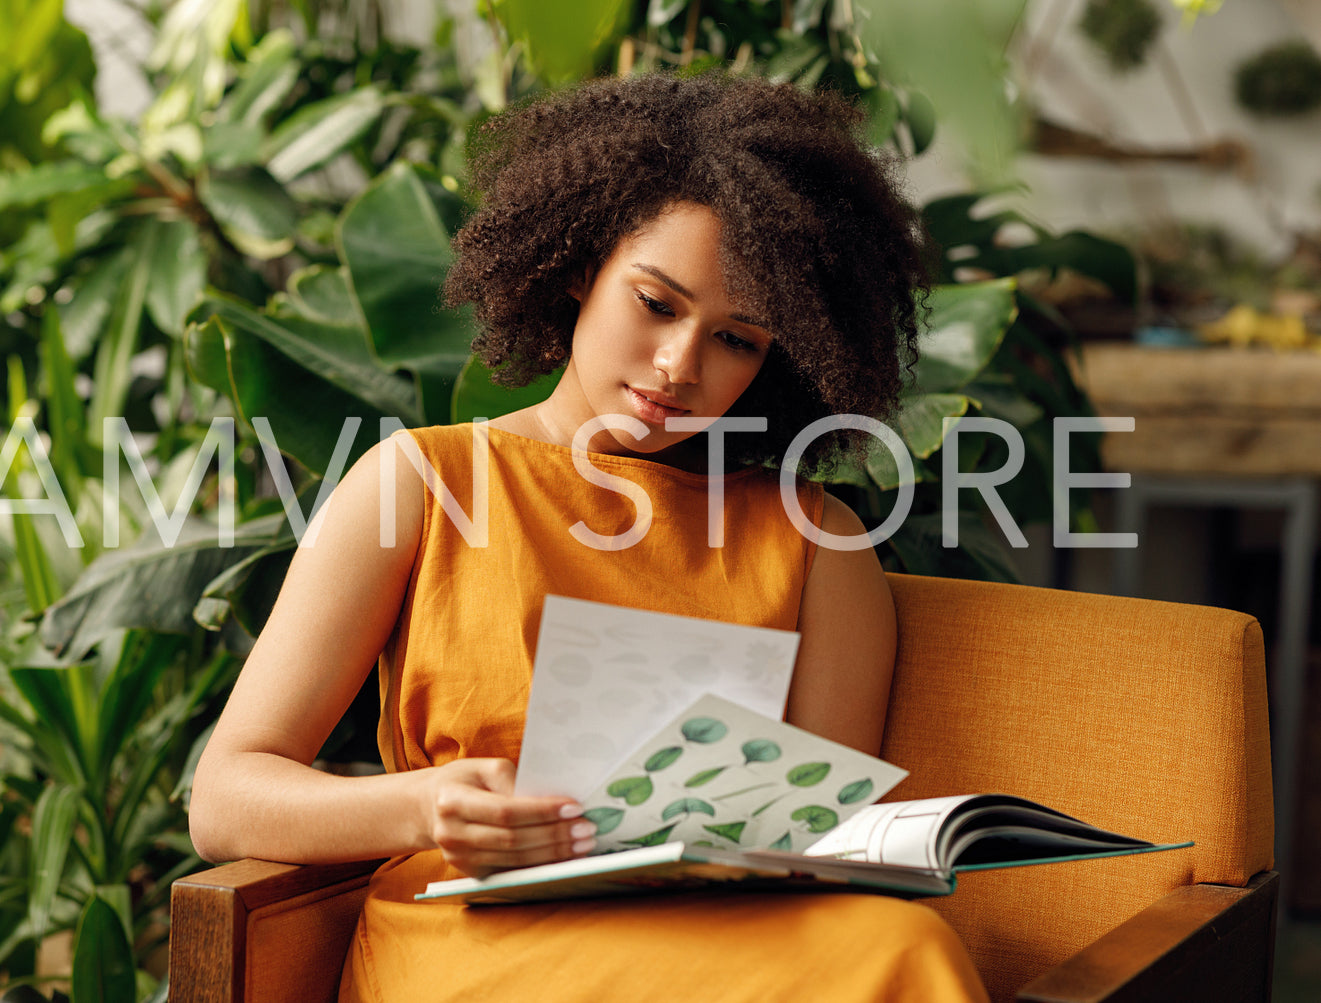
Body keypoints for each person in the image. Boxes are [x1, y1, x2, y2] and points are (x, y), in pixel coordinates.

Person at [189, 72, 989, 1001]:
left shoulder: (815, 541)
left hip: (724, 936)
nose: (677, 365)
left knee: (900, 946)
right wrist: (426, 807)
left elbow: (816, 843)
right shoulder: (423, 482)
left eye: (737, 338)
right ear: (579, 266)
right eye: (655, 303)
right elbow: (224, 797)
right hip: (474, 934)